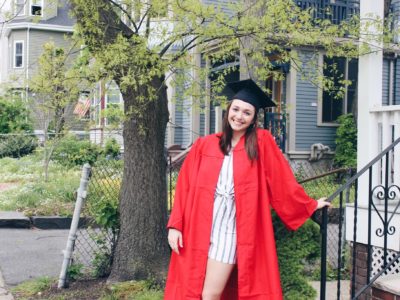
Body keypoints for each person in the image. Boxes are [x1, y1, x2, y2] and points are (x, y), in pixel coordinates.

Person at [164, 79, 331, 300]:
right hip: (199, 228)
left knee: (209, 294)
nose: (239, 116)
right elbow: (184, 187)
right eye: (236, 109)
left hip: (230, 231)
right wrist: (175, 225)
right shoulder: (205, 145)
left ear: (254, 119)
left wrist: (309, 205)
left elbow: (281, 180)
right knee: (191, 288)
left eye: (247, 112)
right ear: (228, 111)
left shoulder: (261, 143)